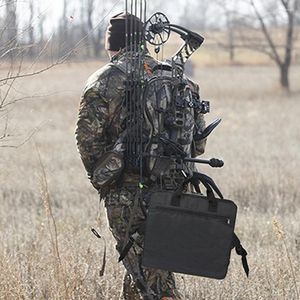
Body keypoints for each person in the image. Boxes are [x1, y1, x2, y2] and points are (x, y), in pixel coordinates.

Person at [75, 12, 206, 300]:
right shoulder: (178, 76)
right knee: (149, 272)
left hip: (128, 196)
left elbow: (87, 140)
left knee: (151, 283)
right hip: (175, 191)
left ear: (112, 44)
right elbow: (197, 144)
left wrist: (107, 178)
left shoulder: (106, 78)